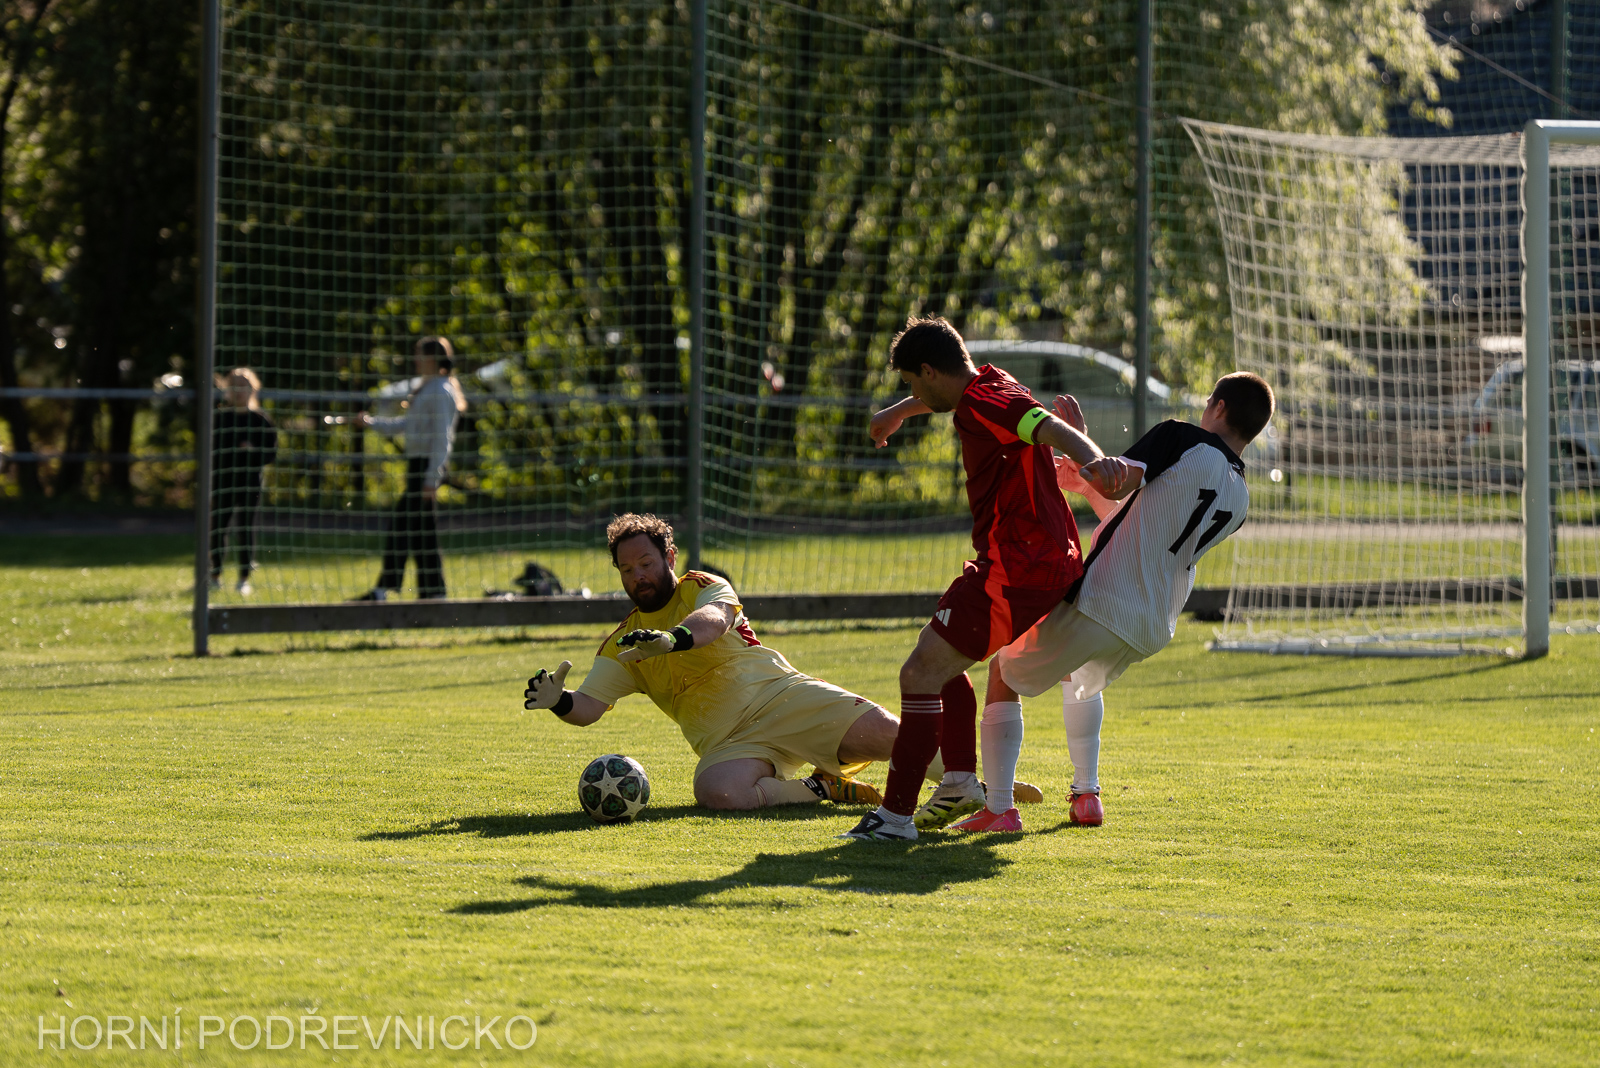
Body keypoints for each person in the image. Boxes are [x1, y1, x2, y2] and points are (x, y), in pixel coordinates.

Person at [839, 317, 1132, 842]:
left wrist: (1096, 460)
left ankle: (895, 818)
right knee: (939, 658)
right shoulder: (987, 385)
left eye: (912, 383)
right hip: (1025, 560)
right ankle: (958, 783)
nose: (913, 393)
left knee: (920, 673)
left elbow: (1052, 428)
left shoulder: (986, 401)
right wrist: (899, 411)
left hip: (1019, 566)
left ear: (929, 370)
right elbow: (969, 404)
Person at [971, 372, 1276, 832]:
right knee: (1079, 676)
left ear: (1218, 407)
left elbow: (1114, 482)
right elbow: (1139, 520)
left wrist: (1077, 444)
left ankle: (999, 809)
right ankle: (1086, 796)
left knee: (1001, 671)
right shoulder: (1240, 497)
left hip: (1105, 598)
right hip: (1153, 623)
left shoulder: (1182, 437)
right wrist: (1085, 485)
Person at [522, 513, 939, 811]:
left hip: (783, 699)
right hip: (730, 745)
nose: (638, 576)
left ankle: (969, 781)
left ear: (670, 557)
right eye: (627, 569)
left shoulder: (702, 586)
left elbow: (714, 620)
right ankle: (823, 787)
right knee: (717, 792)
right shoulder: (622, 642)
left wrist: (671, 640)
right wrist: (560, 700)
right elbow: (588, 707)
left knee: (889, 734)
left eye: (646, 564)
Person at [354, 337, 466, 601]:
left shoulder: (440, 391)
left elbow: (442, 439)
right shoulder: (427, 388)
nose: (415, 360)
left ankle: (385, 590)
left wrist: (432, 478)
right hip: (418, 467)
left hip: (426, 468)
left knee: (402, 527)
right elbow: (406, 426)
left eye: (419, 355)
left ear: (431, 358)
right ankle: (433, 593)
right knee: (422, 532)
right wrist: (371, 423)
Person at [209, 367, 277, 596]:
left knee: (246, 528)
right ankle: (214, 575)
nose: (239, 391)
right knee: (218, 527)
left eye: (244, 386)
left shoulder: (261, 420)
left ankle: (243, 579)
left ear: (253, 389)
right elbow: (211, 451)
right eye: (235, 385)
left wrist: (252, 451)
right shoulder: (220, 419)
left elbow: (270, 454)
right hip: (223, 482)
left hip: (250, 483)